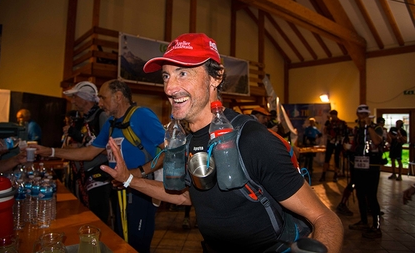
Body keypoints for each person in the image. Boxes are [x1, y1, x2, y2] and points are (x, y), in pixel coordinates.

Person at [100, 33, 344, 252]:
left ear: (215, 78)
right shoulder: (186, 139)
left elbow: (325, 219)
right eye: (166, 76)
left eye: (183, 73)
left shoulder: (251, 139)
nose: (170, 88)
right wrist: (128, 179)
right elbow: (187, 196)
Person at [32, 79, 165, 253]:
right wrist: (50, 152)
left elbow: (170, 151)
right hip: (120, 190)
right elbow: (89, 152)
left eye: (103, 98)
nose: (99, 103)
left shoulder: (142, 115)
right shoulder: (111, 123)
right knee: (122, 240)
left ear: (118, 96)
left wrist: (138, 173)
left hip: (141, 191)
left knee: (136, 244)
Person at [61, 81, 112, 224]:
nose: (73, 101)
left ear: (85, 98)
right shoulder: (86, 119)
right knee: (86, 216)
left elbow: (109, 147)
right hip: (84, 175)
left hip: (98, 177)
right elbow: (87, 142)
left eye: (76, 97)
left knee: (97, 219)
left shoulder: (100, 116)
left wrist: (81, 149)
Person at [348, 104, 384, 239]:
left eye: (365, 114)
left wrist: (369, 127)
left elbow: (376, 141)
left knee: (371, 196)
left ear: (368, 115)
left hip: (372, 166)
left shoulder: (377, 128)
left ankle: (376, 226)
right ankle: (364, 221)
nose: (362, 117)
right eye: (360, 114)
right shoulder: (357, 130)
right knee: (360, 194)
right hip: (358, 166)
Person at [320, 109, 347, 182]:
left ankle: (336, 175)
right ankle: (323, 175)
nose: (332, 117)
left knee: (336, 159)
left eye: (333, 115)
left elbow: (345, 133)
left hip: (338, 142)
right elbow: (325, 132)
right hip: (330, 142)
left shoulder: (342, 123)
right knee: (327, 158)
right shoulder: (329, 123)